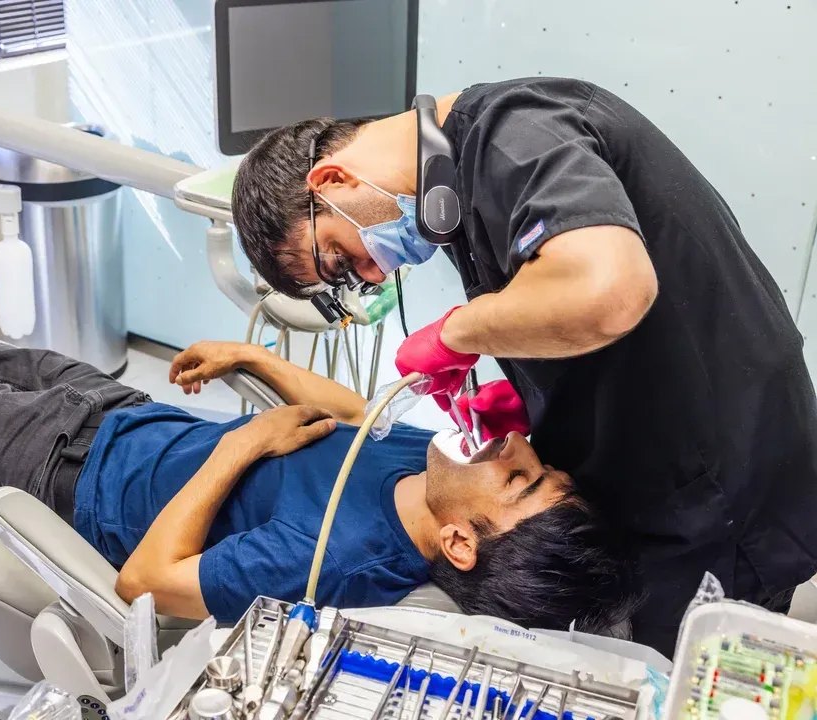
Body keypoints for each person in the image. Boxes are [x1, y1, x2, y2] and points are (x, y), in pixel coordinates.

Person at [0, 175, 639, 631]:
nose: (508, 445)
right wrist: (252, 354)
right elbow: (348, 414)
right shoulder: (426, 474)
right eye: (534, 461)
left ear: (459, 541)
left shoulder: (337, 562)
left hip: (69, 474)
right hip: (116, 413)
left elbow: (146, 584)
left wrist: (241, 448)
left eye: (518, 478)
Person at [230, 76, 817, 655]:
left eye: (339, 259)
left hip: (720, 483)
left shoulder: (519, 134)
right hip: (660, 443)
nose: (375, 275)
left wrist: (456, 333)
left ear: (331, 179)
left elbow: (610, 291)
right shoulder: (457, 188)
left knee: (694, 667)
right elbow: (558, 300)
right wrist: (540, 393)